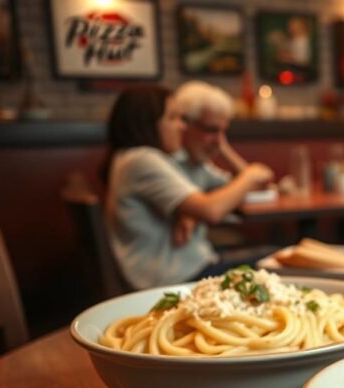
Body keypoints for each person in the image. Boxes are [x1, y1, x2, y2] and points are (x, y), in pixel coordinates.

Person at [102, 85, 273, 290]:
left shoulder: (139, 158)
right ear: (147, 123)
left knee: (277, 255)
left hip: (186, 270)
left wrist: (189, 211)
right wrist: (249, 175)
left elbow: (214, 200)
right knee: (280, 257)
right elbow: (212, 210)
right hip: (174, 281)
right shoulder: (141, 159)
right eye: (173, 118)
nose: (180, 126)